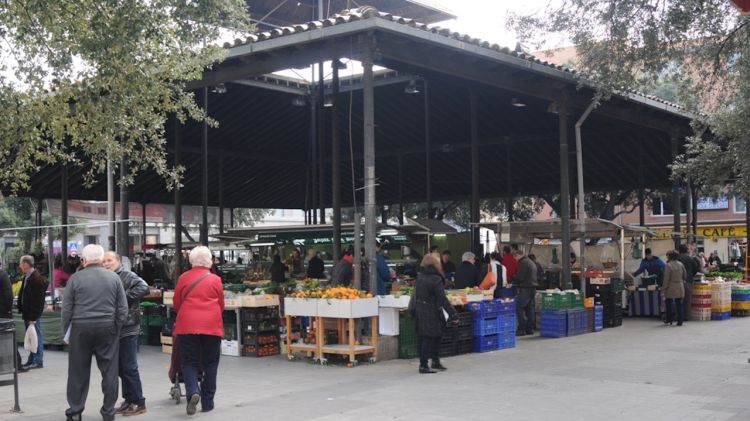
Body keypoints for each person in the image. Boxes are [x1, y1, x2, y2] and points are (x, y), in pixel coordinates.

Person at [62, 245, 128, 421]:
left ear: (84, 260)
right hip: (107, 327)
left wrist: (66, 332)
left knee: (77, 372)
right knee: (109, 372)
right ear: (100, 259)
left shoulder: (75, 279)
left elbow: (66, 309)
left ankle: (75, 411)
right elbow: (122, 308)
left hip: (80, 328)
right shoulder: (114, 278)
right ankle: (108, 412)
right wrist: (116, 327)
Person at [173, 246, 224, 415]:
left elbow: (177, 303)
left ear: (191, 261)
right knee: (210, 362)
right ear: (209, 260)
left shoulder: (183, 278)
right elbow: (221, 304)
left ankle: (193, 392)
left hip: (187, 324)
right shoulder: (215, 279)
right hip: (211, 325)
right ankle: (208, 402)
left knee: (189, 362)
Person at [102, 251, 150, 417]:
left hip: (128, 327)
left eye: (109, 260)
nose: (106, 263)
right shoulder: (107, 277)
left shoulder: (127, 275)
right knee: (121, 368)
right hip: (116, 328)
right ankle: (129, 400)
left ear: (118, 261)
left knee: (129, 367)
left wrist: (124, 297)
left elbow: (144, 287)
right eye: (104, 261)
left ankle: (139, 402)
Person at [409, 254, 457, 374]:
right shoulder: (436, 279)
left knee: (428, 337)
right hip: (432, 310)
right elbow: (442, 299)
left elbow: (416, 295)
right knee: (431, 337)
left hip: (421, 309)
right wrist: (453, 313)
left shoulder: (420, 277)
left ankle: (433, 361)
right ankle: (424, 365)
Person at [17, 254, 47, 370]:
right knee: (31, 337)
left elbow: (38, 300)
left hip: (33, 315)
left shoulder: (36, 278)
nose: (20, 266)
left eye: (21, 263)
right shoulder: (27, 277)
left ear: (25, 264)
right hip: (28, 313)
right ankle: (32, 359)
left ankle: (38, 360)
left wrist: (34, 317)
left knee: (36, 337)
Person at [512, 248, 538, 336]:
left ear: (518, 255)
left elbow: (520, 277)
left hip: (526, 288)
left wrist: (513, 277)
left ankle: (521, 329)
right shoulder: (530, 262)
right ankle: (529, 329)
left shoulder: (523, 263)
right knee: (529, 308)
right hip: (532, 287)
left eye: (515, 258)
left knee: (519, 307)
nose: (515, 260)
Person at [663, 250, 687, 326]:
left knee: (668, 302)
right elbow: (685, 275)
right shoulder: (681, 264)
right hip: (680, 285)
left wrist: (664, 287)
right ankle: (680, 321)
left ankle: (669, 319)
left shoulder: (668, 265)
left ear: (669, 257)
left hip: (671, 286)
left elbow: (666, 278)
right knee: (679, 304)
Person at [676, 244, 699, 321]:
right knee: (687, 299)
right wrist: (691, 275)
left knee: (678, 299)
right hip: (688, 281)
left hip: (678, 281)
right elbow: (695, 269)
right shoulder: (690, 258)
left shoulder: (676, 258)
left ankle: (678, 316)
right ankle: (687, 316)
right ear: (686, 250)